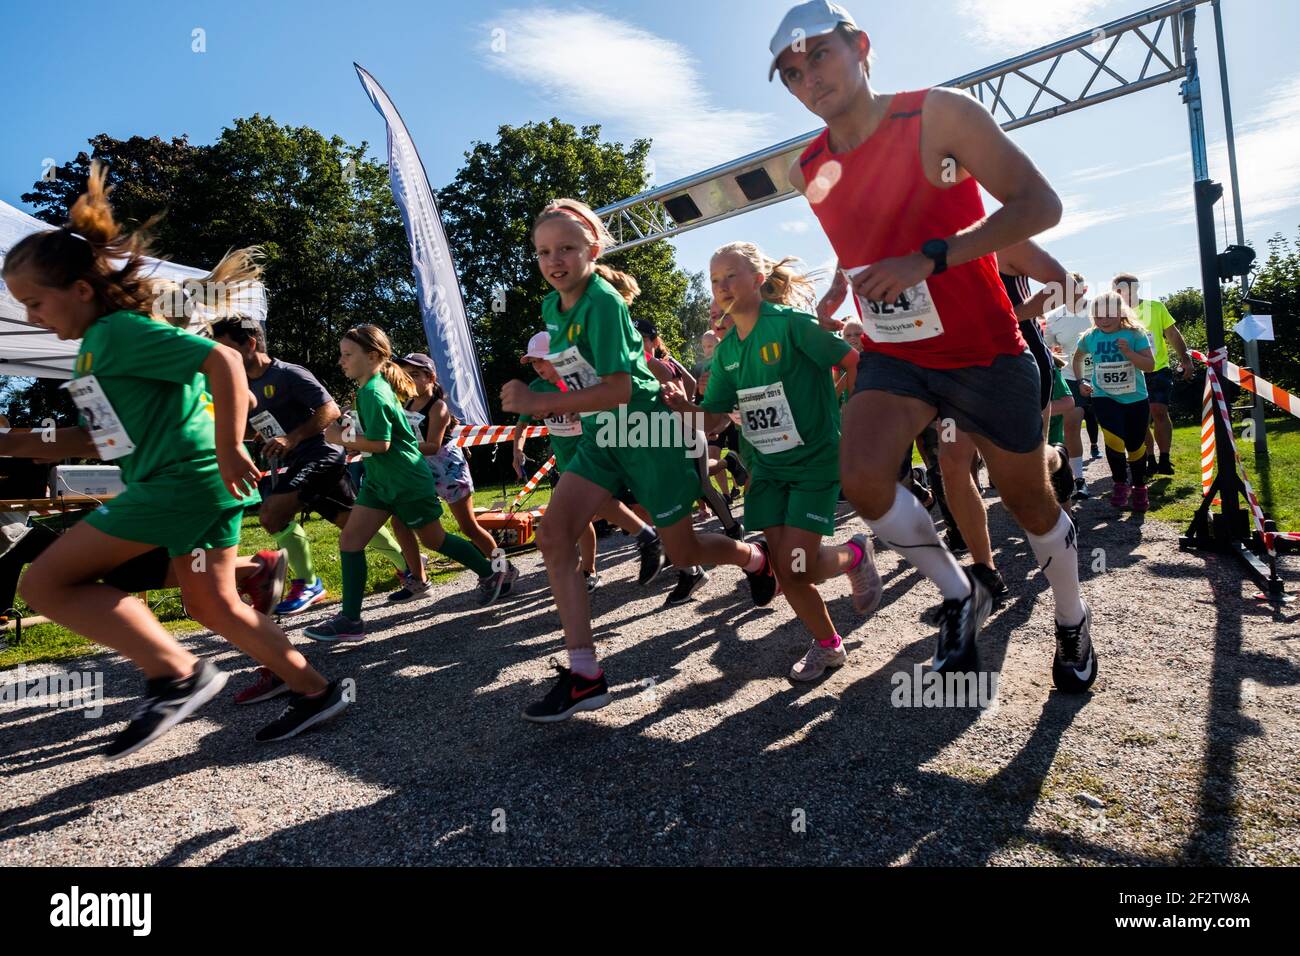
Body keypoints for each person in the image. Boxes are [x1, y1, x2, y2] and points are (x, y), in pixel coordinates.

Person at [772, 0, 1097, 691]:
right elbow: (864, 229)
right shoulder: (806, 168)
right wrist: (839, 287)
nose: (809, 80)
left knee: (1033, 503)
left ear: (860, 45)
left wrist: (933, 258)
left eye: (819, 56)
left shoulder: (939, 115)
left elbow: (1039, 204)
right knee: (861, 477)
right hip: (899, 354)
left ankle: (1071, 618)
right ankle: (960, 591)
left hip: (986, 350)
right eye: (792, 74)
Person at [0, 163, 351, 756]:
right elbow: (101, 440)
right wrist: (12, 442)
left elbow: (225, 362)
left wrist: (229, 443)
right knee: (209, 602)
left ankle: (176, 674)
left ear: (81, 290)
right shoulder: (95, 350)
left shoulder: (116, 333)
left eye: (36, 303)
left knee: (46, 581)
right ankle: (317, 691)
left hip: (180, 483)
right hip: (197, 484)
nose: (32, 317)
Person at [501, 199, 780, 722]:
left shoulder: (603, 303)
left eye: (567, 248)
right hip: (602, 438)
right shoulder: (550, 306)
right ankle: (586, 676)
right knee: (554, 534)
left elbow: (622, 388)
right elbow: (585, 377)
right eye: (543, 251)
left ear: (593, 250)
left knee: (683, 548)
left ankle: (755, 558)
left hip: (646, 432)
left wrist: (541, 402)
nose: (554, 259)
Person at [664, 241, 883, 680]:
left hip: (812, 463)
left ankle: (854, 554)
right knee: (788, 569)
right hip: (766, 469)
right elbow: (711, 420)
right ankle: (829, 646)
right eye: (715, 279)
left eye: (731, 276)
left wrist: (852, 418)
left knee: (802, 563)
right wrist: (681, 408)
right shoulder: (726, 353)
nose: (722, 286)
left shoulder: (790, 324)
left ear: (759, 281)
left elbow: (853, 361)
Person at [303, 324, 514, 642]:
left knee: (435, 540)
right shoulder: (369, 389)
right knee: (350, 541)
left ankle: (490, 573)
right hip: (380, 481)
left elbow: (382, 443)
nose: (340, 361)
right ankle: (350, 620)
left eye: (347, 355)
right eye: (341, 354)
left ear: (372, 356)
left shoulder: (374, 391)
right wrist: (350, 427)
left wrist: (339, 435)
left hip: (404, 480)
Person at [210, 316, 417, 614]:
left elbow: (330, 409)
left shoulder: (288, 373)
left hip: (320, 454)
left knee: (271, 514)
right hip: (298, 460)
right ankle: (409, 566)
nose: (221, 357)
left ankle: (308, 583)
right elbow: (253, 428)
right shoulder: (242, 383)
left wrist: (291, 439)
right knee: (351, 522)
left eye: (226, 349)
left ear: (251, 344)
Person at [513, 331, 661, 594]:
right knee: (582, 517)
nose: (538, 368)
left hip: (601, 454)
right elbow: (523, 422)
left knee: (627, 504)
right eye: (533, 363)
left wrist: (577, 408)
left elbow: (615, 400)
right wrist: (518, 450)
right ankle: (595, 568)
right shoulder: (537, 389)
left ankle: (668, 547)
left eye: (542, 361)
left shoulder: (581, 378)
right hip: (570, 463)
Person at [395, 351, 519, 596]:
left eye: (416, 375)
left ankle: (503, 569)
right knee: (400, 521)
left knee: (469, 527)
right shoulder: (406, 404)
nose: (410, 380)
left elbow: (432, 446)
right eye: (406, 375)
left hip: (449, 470)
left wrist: (398, 446)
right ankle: (418, 579)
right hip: (422, 472)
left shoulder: (438, 407)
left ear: (431, 378)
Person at [1074, 292, 1155, 511]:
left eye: (1109, 314)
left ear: (1120, 312)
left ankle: (1139, 487)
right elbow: (1077, 358)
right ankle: (1120, 484)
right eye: (1098, 316)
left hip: (1136, 398)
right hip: (1104, 397)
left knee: (1136, 445)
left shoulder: (1135, 334)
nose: (1104, 320)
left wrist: (1129, 352)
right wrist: (1082, 381)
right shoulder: (1090, 337)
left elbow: (1150, 365)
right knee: (1114, 440)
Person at [1113, 273, 1193, 476]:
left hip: (1158, 368)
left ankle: (1165, 459)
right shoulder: (1114, 315)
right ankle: (1150, 458)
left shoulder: (1155, 308)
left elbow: (1172, 334)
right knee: (1140, 418)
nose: (1122, 293)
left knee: (1159, 411)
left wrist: (1185, 358)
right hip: (1131, 371)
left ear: (1136, 288)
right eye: (1118, 289)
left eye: (1125, 288)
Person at [1043, 272, 1097, 497]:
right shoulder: (1054, 317)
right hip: (1072, 377)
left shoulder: (1099, 309)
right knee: (1072, 426)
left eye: (1076, 289)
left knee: (1117, 427)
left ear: (1084, 290)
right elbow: (1046, 348)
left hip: (1104, 376)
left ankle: (1126, 472)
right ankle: (1079, 480)